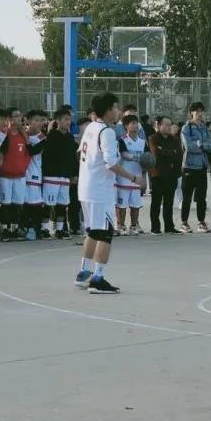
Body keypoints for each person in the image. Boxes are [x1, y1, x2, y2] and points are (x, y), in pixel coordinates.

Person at [74, 92, 143, 294]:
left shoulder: (90, 128)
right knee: (106, 233)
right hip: (99, 190)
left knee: (93, 231)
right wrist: (134, 178)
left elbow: (81, 154)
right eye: (115, 107)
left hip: (86, 188)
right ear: (107, 110)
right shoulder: (107, 132)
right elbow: (111, 163)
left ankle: (83, 273)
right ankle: (98, 279)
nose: (118, 111)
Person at [0, 106, 31, 241]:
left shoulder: (23, 135)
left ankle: (15, 229)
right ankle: (5, 230)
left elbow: (29, 152)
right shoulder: (4, 134)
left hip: (20, 176)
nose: (19, 118)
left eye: (20, 116)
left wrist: (23, 168)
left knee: (18, 204)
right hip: (5, 176)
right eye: (16, 116)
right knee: (5, 203)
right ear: (9, 119)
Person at [42, 108, 78, 239]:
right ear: (57, 121)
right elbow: (45, 157)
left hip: (65, 176)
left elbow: (73, 158)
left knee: (62, 204)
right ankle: (45, 229)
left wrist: (74, 174)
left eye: (69, 119)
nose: (68, 122)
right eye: (65, 119)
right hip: (51, 175)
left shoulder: (70, 138)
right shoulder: (51, 136)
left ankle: (60, 229)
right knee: (48, 203)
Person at [179, 102, 211, 233]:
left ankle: (201, 222)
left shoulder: (205, 128)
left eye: (201, 111)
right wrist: (202, 146)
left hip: (202, 167)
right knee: (187, 197)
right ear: (191, 113)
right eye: (196, 111)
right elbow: (189, 146)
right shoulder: (186, 128)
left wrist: (201, 145)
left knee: (201, 197)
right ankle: (184, 223)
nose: (199, 113)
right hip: (189, 166)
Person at [148, 116, 183, 234]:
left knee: (169, 202)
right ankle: (155, 227)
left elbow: (179, 154)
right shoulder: (153, 138)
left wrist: (165, 151)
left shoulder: (175, 139)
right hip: (157, 174)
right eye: (166, 124)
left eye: (170, 125)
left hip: (172, 174)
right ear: (159, 125)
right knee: (156, 202)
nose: (169, 127)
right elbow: (156, 154)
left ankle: (169, 226)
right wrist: (171, 152)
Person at [115, 114, 147, 235]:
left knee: (135, 204)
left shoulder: (143, 142)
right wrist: (137, 157)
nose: (135, 125)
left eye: (136, 123)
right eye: (132, 123)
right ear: (126, 126)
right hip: (123, 178)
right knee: (122, 204)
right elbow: (124, 154)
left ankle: (133, 226)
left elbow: (148, 158)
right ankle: (121, 225)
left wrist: (144, 174)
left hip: (137, 177)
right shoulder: (121, 140)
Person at [23, 110, 49, 241]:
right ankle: (22, 228)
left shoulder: (43, 138)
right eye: (36, 120)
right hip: (20, 175)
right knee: (23, 203)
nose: (39, 123)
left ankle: (35, 229)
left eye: (41, 120)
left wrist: (26, 138)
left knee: (34, 203)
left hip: (34, 175)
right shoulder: (23, 134)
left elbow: (32, 151)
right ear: (28, 121)